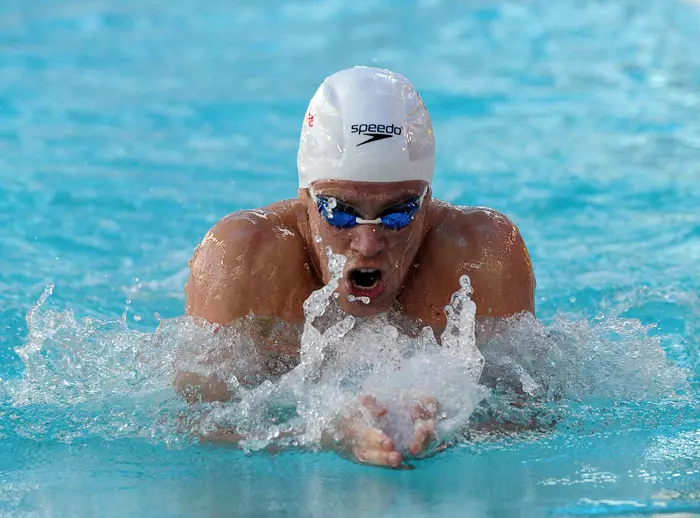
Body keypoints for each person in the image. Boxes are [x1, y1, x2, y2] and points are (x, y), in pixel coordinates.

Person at [178, 66, 536, 468]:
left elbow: (532, 412)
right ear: (305, 200)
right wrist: (318, 432)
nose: (368, 244)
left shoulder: (480, 253)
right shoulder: (244, 257)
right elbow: (195, 423)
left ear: (427, 202)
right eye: (339, 212)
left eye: (398, 213)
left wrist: (460, 418)